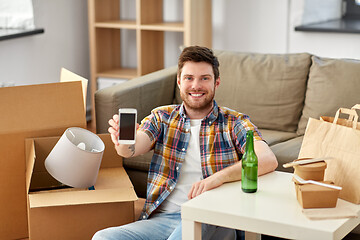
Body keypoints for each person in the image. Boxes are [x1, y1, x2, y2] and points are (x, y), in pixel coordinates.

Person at [92, 46, 278, 240]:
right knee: (103, 238)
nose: (196, 85)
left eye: (204, 78)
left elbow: (267, 159)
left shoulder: (235, 122)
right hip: (163, 220)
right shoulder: (162, 117)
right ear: (179, 82)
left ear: (217, 83)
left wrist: (217, 178)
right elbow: (131, 149)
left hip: (211, 217)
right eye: (189, 78)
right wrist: (122, 139)